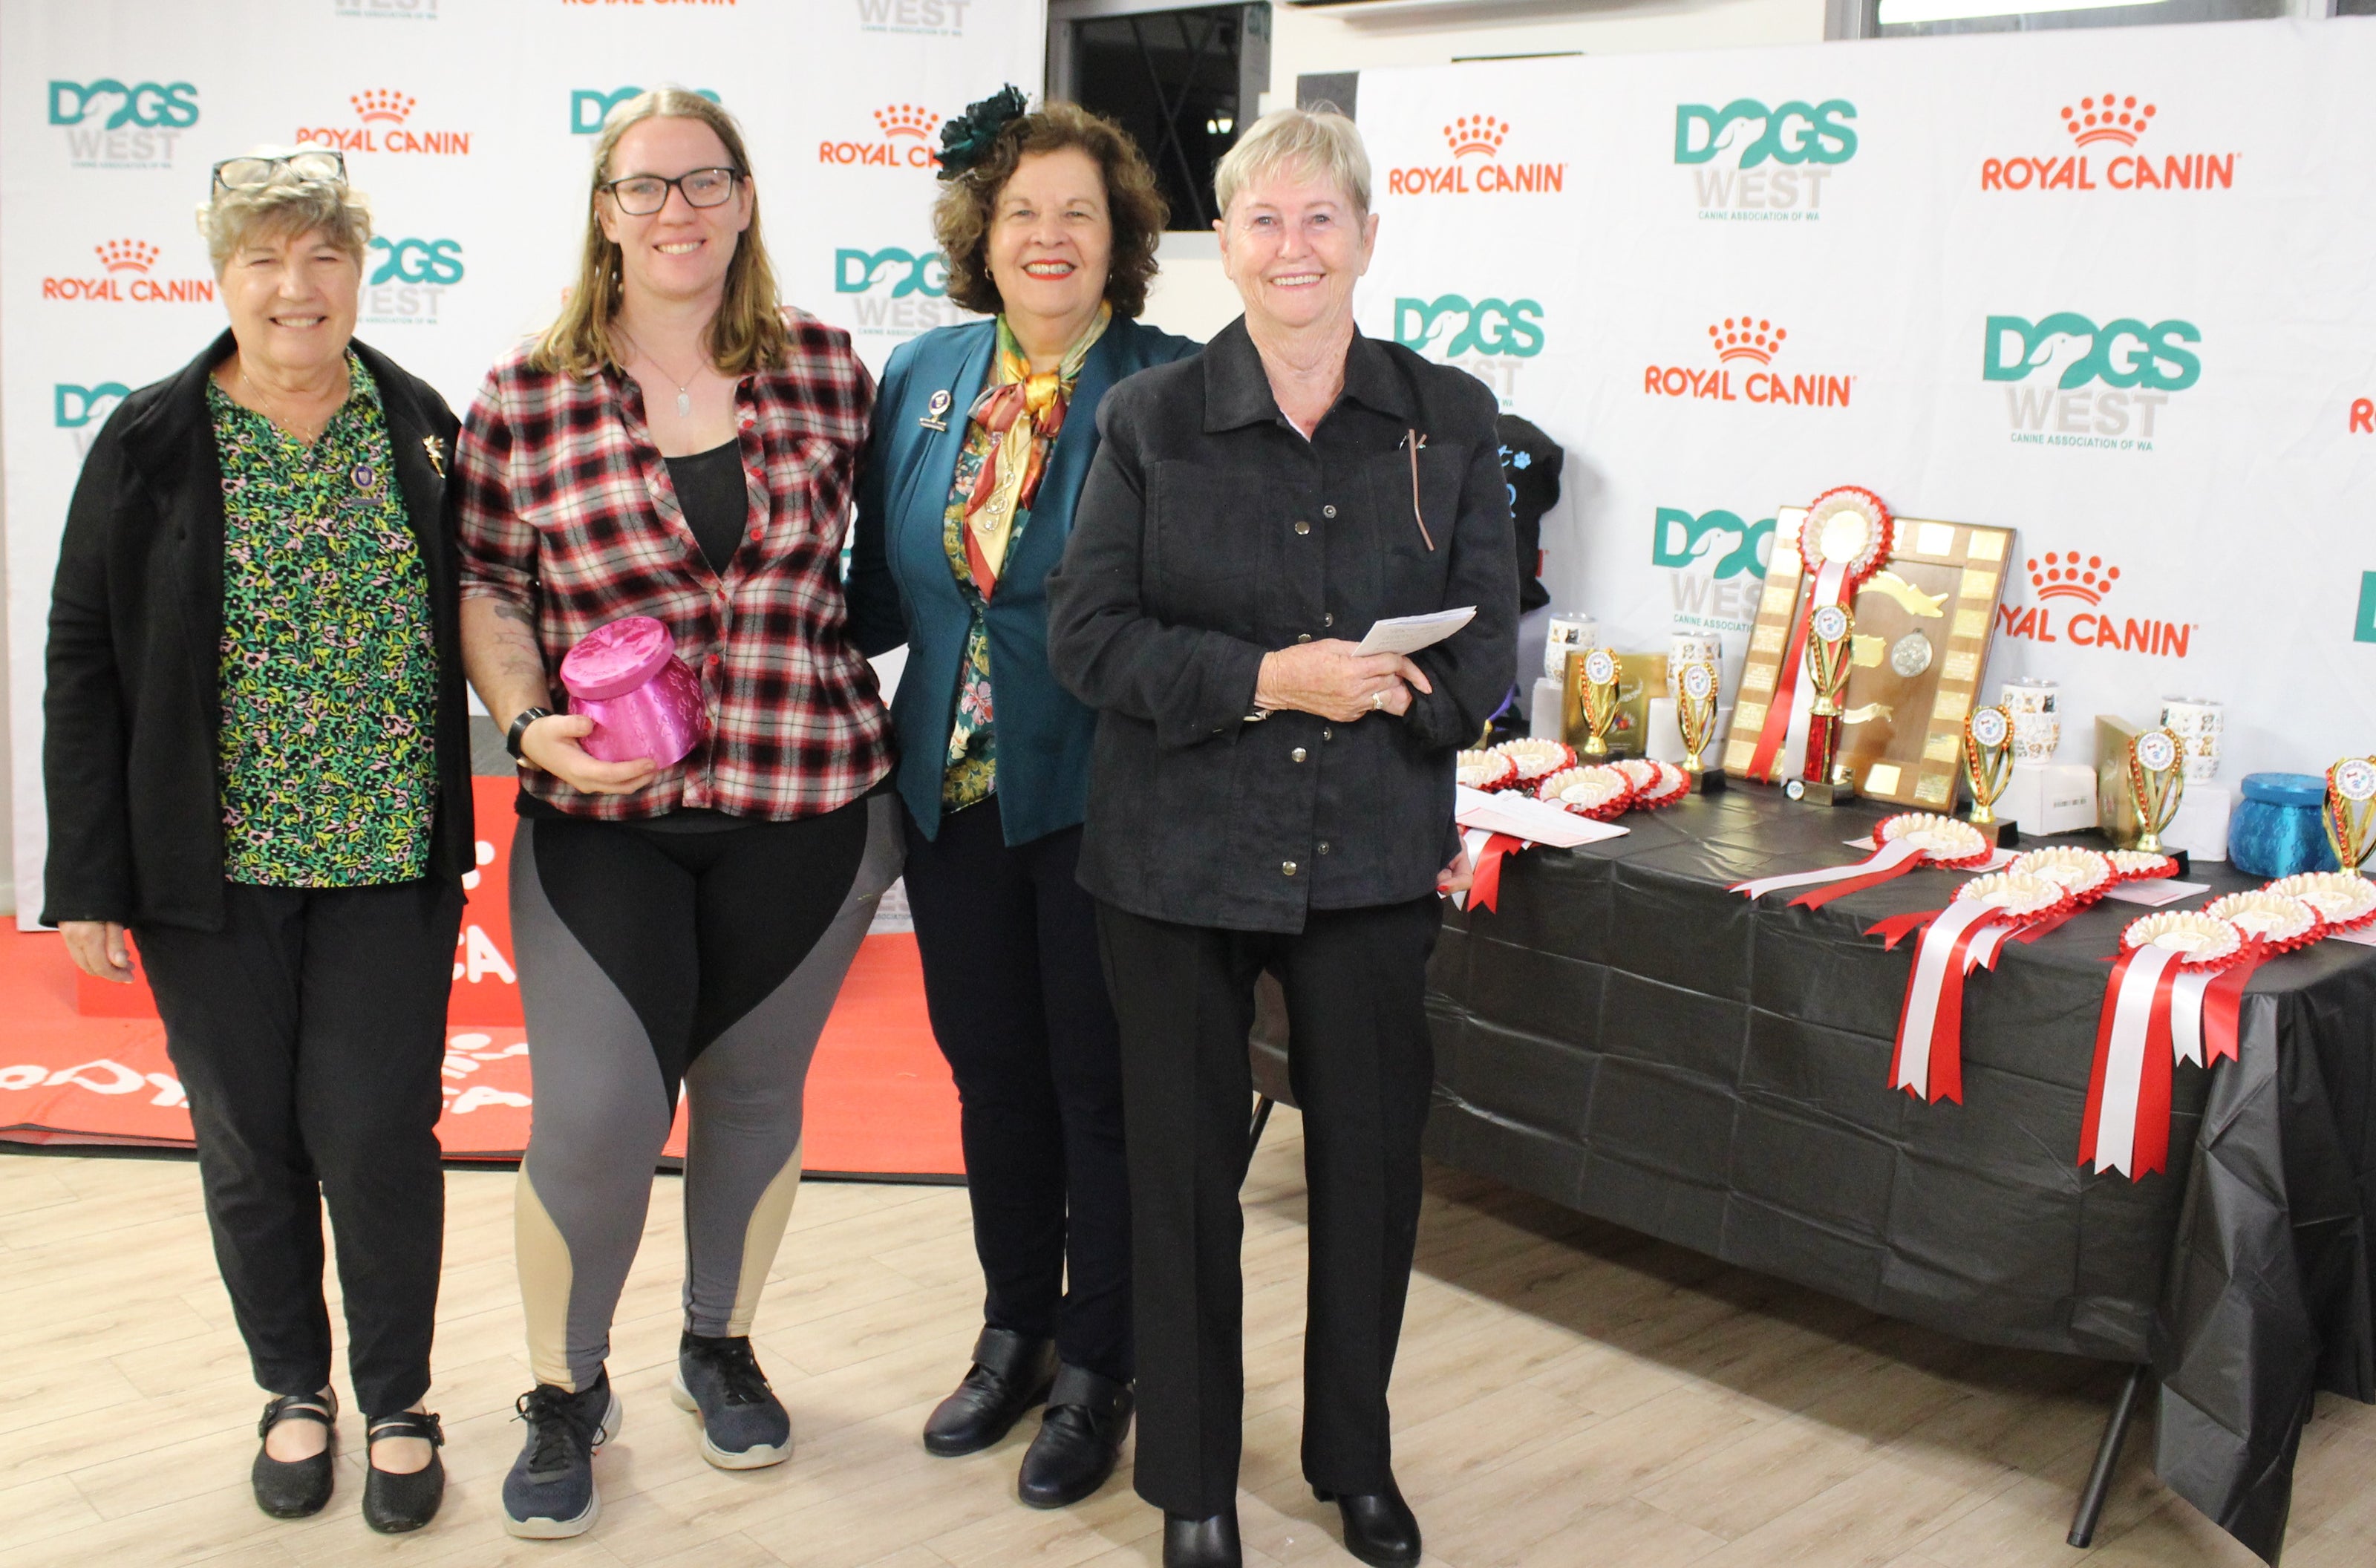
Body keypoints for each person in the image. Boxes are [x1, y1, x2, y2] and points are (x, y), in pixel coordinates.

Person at [1045, 107, 1517, 1568]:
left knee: (1370, 1168)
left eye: (1323, 219)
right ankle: (1189, 1479)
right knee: (1182, 1170)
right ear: (1224, 246)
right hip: (1174, 859)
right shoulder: (1146, 420)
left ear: (1368, 239)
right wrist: (1271, 679)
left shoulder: (1451, 414)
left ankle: (1351, 1461)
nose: (1294, 247)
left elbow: (1491, 641)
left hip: (1370, 854)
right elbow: (1088, 637)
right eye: (1264, 220)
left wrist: (1408, 690)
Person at [452, 89, 901, 1539]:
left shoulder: (832, 373)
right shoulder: (525, 396)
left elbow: (900, 577)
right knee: (593, 1114)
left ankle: (718, 1344)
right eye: (645, 188)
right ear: (604, 212)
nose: (676, 212)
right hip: (604, 823)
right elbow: (483, 591)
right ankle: (562, 1391)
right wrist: (528, 726)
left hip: (810, 802)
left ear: (746, 199)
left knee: (756, 1100)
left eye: (704, 182)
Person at [43, 148, 473, 1535]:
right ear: (219, 276)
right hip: (202, 871)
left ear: (361, 269)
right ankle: (295, 1391)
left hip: (383, 855)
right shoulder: (152, 437)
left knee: (376, 1136)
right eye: (263, 261)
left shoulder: (423, 427)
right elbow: (82, 657)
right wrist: (88, 872)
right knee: (248, 1144)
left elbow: (488, 612)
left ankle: (399, 1398)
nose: (296, 288)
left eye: (323, 256)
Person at [846, 90, 1195, 1509]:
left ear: (1120, 242)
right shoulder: (923, 371)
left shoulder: (1172, 386)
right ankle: (1017, 1331)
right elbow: (874, 586)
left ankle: (1104, 1366)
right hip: (953, 791)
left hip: (1109, 800)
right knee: (992, 1080)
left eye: (1079, 214)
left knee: (1096, 1090)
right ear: (978, 238)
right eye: (1022, 213)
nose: (1049, 237)